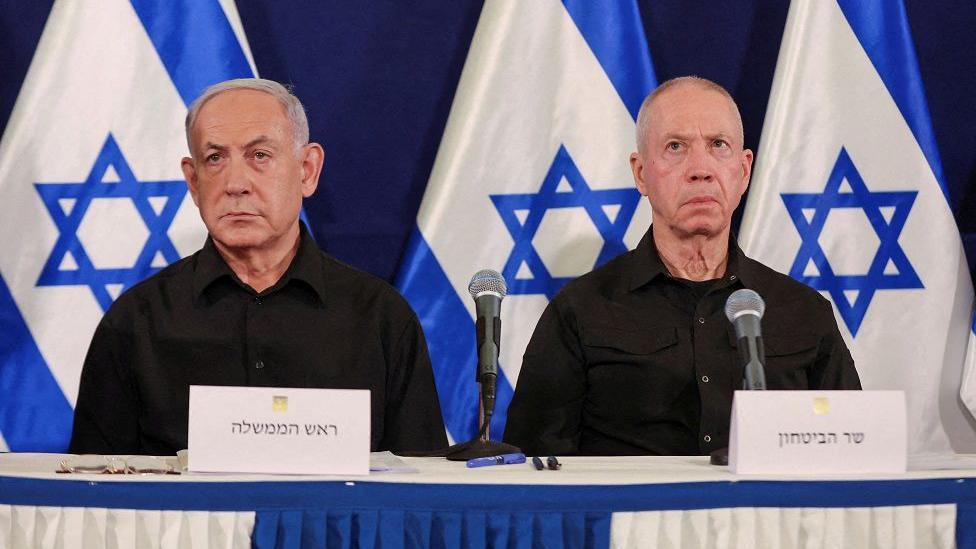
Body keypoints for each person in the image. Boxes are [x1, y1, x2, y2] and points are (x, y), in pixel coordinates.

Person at [69, 78, 447, 455]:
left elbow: (423, 489)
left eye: (259, 156)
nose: (235, 183)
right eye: (215, 158)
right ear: (193, 181)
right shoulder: (136, 323)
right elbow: (93, 495)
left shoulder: (379, 318)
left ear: (307, 170)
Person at [503, 76, 860, 456]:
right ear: (641, 173)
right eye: (676, 147)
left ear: (743, 171)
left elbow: (852, 452)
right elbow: (534, 468)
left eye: (718, 145)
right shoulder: (579, 311)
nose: (701, 169)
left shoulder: (804, 312)